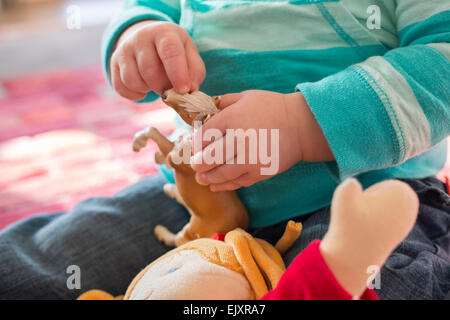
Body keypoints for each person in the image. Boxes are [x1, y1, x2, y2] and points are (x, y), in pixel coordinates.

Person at [0, 0, 449, 299]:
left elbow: (441, 60)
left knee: (375, 280)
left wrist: (301, 123)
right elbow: (148, 10)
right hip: (190, 199)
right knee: (30, 267)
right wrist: (139, 37)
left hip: (362, 201)